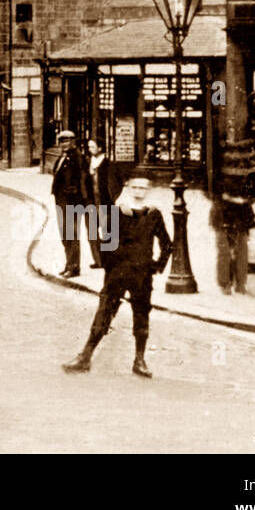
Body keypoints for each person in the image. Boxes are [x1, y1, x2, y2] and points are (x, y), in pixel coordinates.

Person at [63, 177, 172, 378]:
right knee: (104, 311)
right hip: (118, 273)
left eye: (143, 188)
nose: (139, 191)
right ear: (129, 188)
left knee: (141, 315)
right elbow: (107, 244)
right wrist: (111, 268)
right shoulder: (117, 211)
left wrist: (157, 266)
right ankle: (85, 356)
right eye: (135, 187)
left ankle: (139, 360)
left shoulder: (154, 214)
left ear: (148, 190)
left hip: (141, 275)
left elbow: (167, 243)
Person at [51, 130, 85, 277]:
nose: (64, 145)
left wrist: (74, 190)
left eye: (67, 141)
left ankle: (74, 267)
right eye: (62, 142)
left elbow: (82, 178)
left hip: (73, 201)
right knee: (64, 234)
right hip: (61, 200)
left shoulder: (77, 157)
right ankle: (68, 263)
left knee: (71, 234)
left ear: (73, 142)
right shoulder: (62, 157)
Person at [211, 186, 255, 295]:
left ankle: (239, 284)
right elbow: (209, 189)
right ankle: (225, 284)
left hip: (240, 214)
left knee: (241, 250)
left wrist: (246, 199)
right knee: (224, 251)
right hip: (222, 212)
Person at [84, 138, 115, 269]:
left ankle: (109, 260)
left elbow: (117, 182)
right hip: (90, 201)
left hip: (104, 201)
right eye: (89, 147)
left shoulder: (108, 163)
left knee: (107, 230)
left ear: (100, 148)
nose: (90, 149)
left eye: (92, 147)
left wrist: (113, 197)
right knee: (92, 232)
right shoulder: (88, 162)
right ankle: (99, 260)